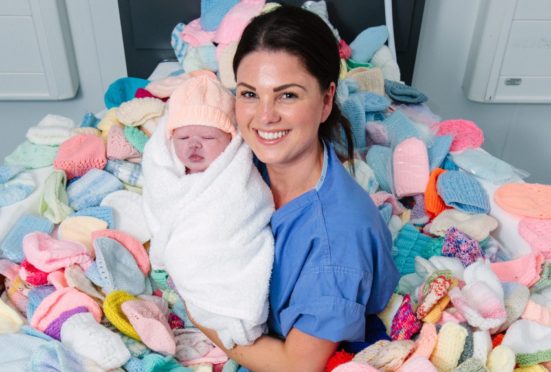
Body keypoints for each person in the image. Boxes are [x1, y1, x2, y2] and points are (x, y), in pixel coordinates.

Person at [189, 5, 400, 371]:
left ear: (326, 100)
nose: (264, 116)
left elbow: (296, 365)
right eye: (249, 94)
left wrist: (200, 315)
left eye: (287, 95)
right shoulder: (240, 162)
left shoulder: (336, 244)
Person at [141, 71, 275, 350]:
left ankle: (229, 312)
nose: (194, 145)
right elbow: (160, 210)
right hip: (185, 265)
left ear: (230, 140)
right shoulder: (169, 177)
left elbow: (245, 216)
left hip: (224, 260)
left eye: (207, 136)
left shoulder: (236, 179)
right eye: (184, 136)